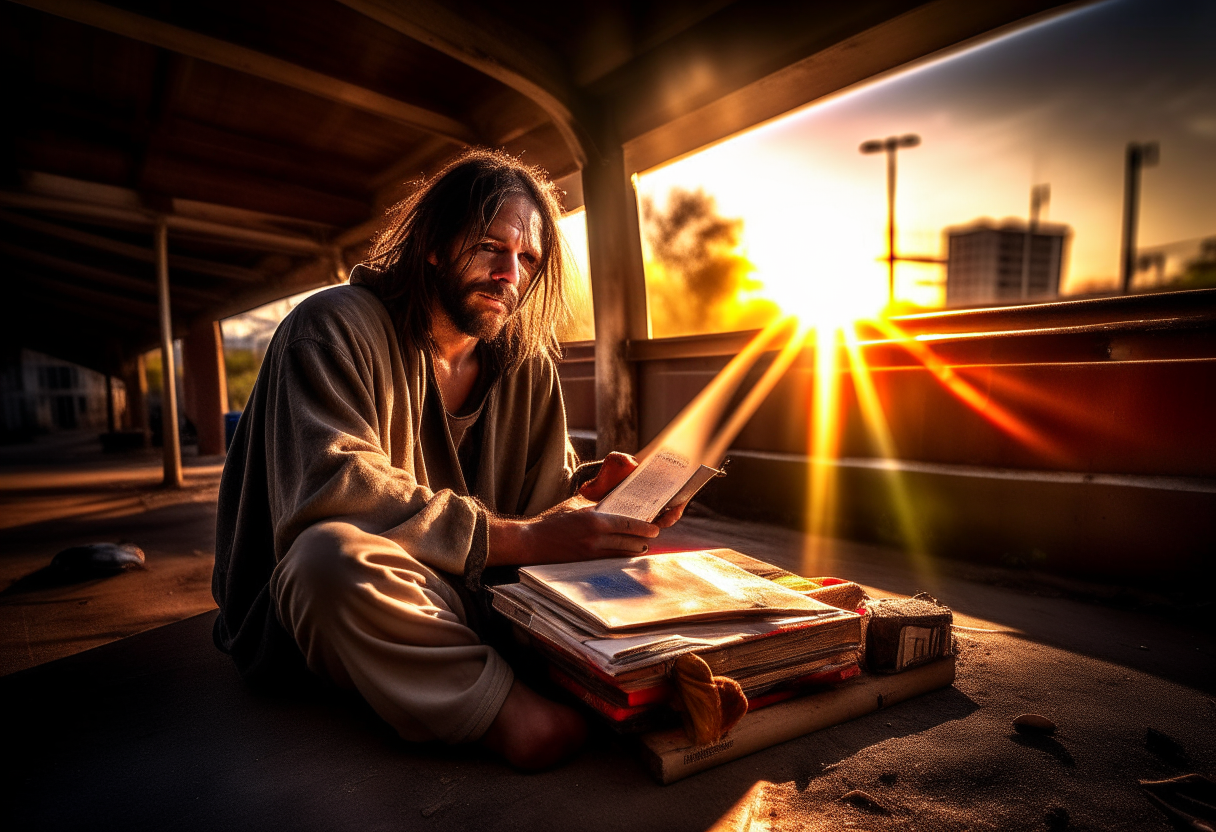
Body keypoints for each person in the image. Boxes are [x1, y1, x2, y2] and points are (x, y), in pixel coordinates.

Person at [211, 148, 685, 770]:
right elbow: (332, 489)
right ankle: (508, 712)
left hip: (474, 600)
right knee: (326, 560)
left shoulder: (526, 364)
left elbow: (539, 509)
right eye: (491, 246)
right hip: (353, 607)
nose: (509, 274)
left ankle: (511, 673)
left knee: (659, 579)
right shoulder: (330, 328)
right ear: (434, 244)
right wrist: (526, 539)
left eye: (528, 259)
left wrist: (594, 495)